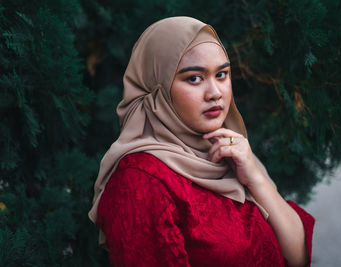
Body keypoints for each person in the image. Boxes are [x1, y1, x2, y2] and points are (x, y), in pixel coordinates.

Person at [88, 16, 315, 267]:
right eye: (194, 78)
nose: (215, 92)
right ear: (157, 88)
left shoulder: (228, 152)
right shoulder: (140, 181)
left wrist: (256, 178)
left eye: (221, 74)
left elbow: (298, 258)